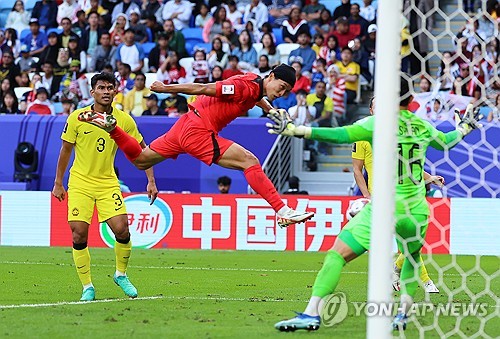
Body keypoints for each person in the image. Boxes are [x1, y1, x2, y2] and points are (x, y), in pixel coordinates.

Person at [269, 76, 482, 331]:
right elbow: (447, 141)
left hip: (384, 207)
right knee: (412, 258)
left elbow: (339, 135)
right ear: (412, 99)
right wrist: (464, 129)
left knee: (337, 254)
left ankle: (311, 313)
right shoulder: (422, 126)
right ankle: (402, 314)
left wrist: (296, 130)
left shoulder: (378, 124)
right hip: (416, 209)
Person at [79, 64, 314, 228]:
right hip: (198, 130)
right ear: (271, 76)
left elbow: (257, 98)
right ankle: (283, 211)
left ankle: (111, 128)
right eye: (281, 87)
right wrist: (166, 89)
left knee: (141, 160)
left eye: (286, 91)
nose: (282, 93)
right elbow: (204, 88)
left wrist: (271, 110)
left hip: (186, 125)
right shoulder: (245, 87)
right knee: (249, 161)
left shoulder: (254, 83)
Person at [52, 72, 158, 301]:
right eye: (102, 87)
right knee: (79, 233)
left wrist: (150, 180)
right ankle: (87, 286)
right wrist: (58, 183)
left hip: (108, 182)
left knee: (122, 229)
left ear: (116, 90)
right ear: (93, 92)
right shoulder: (77, 118)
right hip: (80, 182)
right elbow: (65, 151)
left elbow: (142, 150)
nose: (106, 91)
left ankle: (121, 274)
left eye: (110, 87)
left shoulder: (124, 120)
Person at [351, 96, 440, 293]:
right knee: (409, 242)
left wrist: (430, 177)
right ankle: (424, 282)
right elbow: (357, 170)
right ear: (371, 110)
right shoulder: (362, 135)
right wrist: (367, 196)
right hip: (381, 198)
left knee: (409, 242)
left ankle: (398, 271)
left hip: (404, 193)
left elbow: (408, 166)